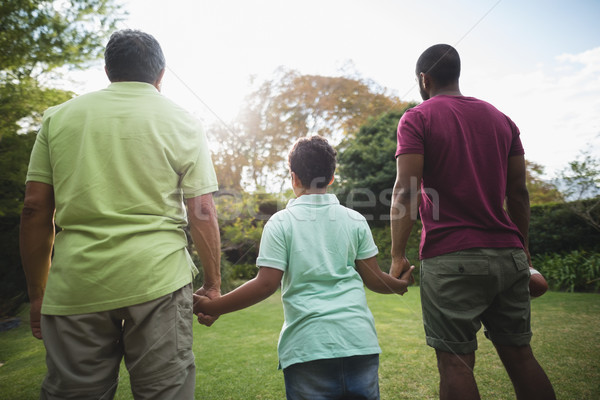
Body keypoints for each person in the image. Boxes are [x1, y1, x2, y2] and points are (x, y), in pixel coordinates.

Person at [20, 29, 221, 400]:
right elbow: (203, 209)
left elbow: (34, 209)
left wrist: (38, 293)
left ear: (109, 69)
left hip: (77, 282)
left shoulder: (58, 118)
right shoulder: (184, 121)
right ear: (161, 74)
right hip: (158, 278)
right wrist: (212, 284)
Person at [390, 44, 556, 400]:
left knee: (455, 364)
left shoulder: (417, 118)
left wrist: (397, 256)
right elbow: (519, 194)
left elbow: (406, 192)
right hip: (508, 255)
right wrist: (523, 249)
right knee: (521, 357)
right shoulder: (502, 120)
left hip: (450, 258)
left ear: (424, 79)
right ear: (457, 73)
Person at [194, 135, 414, 400]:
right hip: (359, 344)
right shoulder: (354, 220)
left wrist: (210, 306)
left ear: (293, 177)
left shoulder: (280, 223)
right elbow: (375, 279)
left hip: (307, 348)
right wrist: (400, 285)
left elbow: (266, 284)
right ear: (332, 177)